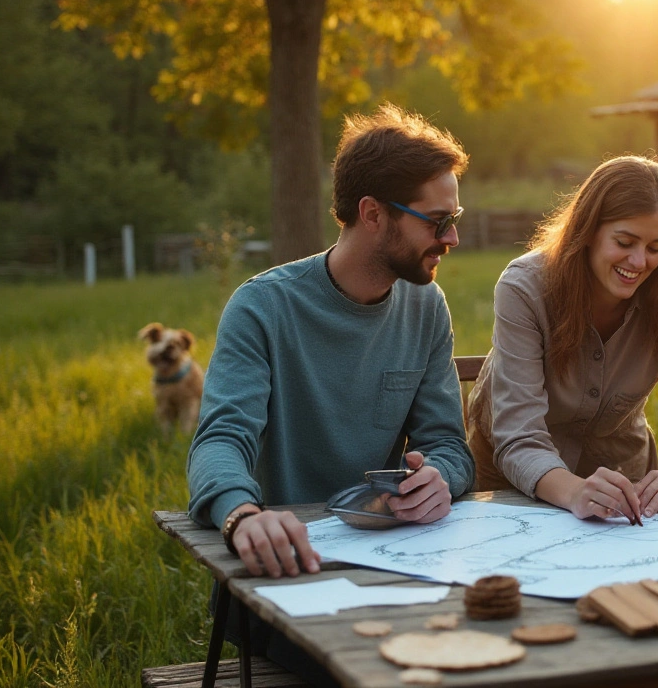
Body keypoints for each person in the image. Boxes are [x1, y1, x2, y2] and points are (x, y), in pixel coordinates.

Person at [186, 103, 475, 684]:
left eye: (454, 218)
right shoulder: (262, 308)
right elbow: (220, 439)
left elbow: (448, 443)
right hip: (285, 579)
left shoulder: (426, 307)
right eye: (437, 221)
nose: (453, 237)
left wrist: (440, 477)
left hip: (393, 566)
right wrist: (243, 514)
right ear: (372, 213)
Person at [466, 155, 658, 523]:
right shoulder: (525, 288)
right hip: (513, 487)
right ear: (588, 230)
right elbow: (519, 438)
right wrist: (575, 491)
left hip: (623, 488)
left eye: (654, 247)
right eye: (625, 241)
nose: (638, 261)